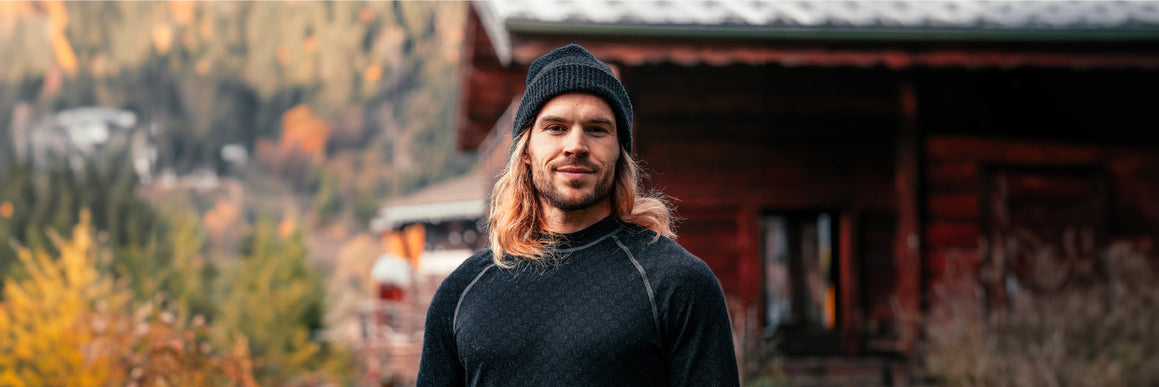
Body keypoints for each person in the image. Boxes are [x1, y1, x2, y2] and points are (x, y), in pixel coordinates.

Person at [417, 44, 739, 386]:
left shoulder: (676, 283)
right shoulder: (462, 292)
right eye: (556, 127)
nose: (576, 145)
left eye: (597, 129)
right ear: (525, 150)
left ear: (620, 153)